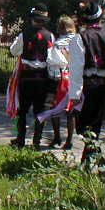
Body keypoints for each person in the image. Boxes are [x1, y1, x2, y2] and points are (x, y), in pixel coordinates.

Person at [67, 1, 105, 165]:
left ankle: (96, 161)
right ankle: (93, 161)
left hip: (87, 85)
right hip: (102, 84)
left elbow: (76, 68)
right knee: (94, 124)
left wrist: (74, 94)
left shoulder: (79, 38)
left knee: (84, 126)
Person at [9, 3, 64, 149]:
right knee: (39, 110)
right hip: (42, 77)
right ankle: (36, 142)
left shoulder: (24, 34)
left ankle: (20, 140)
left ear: (32, 18)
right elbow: (53, 58)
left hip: (26, 77)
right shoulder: (50, 36)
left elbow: (13, 51)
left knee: (22, 111)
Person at [37, 16, 76, 148]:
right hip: (74, 79)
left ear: (60, 28)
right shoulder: (78, 41)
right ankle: (69, 140)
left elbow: (52, 64)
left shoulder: (58, 43)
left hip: (59, 79)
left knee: (55, 109)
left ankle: (57, 137)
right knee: (71, 110)